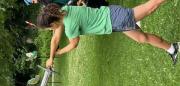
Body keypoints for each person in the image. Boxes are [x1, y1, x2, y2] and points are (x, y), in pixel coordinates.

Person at [36, 1, 179, 68]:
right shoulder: (65, 10)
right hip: (112, 17)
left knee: (150, 7)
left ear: (53, 23)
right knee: (141, 38)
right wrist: (51, 56)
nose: (51, 30)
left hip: (115, 20)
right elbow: (55, 38)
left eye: (49, 28)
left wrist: (59, 53)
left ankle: (172, 48)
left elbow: (73, 44)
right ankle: (172, 48)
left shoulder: (70, 25)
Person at [24, 0, 109, 8]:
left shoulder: (44, 2)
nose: (34, 3)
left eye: (32, 1)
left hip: (71, 2)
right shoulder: (43, 3)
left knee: (89, 3)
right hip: (70, 3)